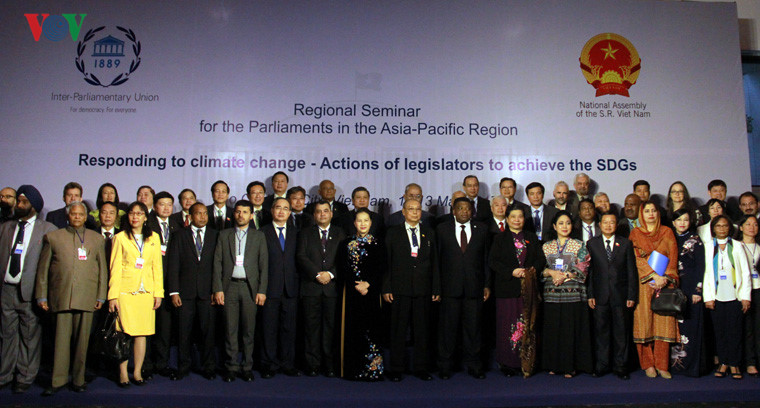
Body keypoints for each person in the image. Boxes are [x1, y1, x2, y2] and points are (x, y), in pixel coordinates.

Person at [35, 201, 107, 395]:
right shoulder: (53, 237)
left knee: (82, 343)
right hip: (61, 296)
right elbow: (43, 270)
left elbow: (103, 270)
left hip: (87, 297)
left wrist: (101, 296)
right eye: (74, 214)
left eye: (80, 214)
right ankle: (57, 381)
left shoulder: (97, 239)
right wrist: (41, 295)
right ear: (68, 216)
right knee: (60, 342)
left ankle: (78, 379)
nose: (77, 217)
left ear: (85, 217)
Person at [0, 185, 57, 393]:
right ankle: (5, 374)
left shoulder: (48, 229)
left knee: (29, 336)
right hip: (7, 289)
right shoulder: (6, 227)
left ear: (34, 205)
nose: (19, 205)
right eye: (18, 201)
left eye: (24, 202)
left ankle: (25, 376)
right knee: (6, 335)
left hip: (30, 291)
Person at [108, 201, 164, 387]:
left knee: (142, 334)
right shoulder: (120, 238)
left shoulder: (154, 237)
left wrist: (158, 293)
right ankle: (123, 373)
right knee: (123, 334)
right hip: (125, 292)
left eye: (139, 214)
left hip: (146, 292)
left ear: (145, 217)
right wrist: (113, 296)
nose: (135, 217)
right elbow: (115, 268)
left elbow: (157, 267)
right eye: (132, 213)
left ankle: (138, 372)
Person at [383, 199, 439, 381]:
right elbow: (387, 262)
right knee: (398, 330)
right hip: (400, 288)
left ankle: (421, 367)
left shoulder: (429, 233)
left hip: (423, 289)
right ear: (403, 212)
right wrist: (387, 287)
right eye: (411, 209)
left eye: (418, 209)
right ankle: (396, 368)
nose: (415, 212)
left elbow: (435, 262)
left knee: (422, 330)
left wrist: (436, 287)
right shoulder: (393, 233)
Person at [213, 200, 268, 382]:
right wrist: (218, 288)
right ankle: (231, 367)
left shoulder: (258, 236)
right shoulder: (224, 235)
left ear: (251, 215)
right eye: (238, 211)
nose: (241, 215)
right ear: (233, 214)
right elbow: (217, 263)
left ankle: (247, 367)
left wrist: (262, 290)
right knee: (230, 330)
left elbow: (264, 265)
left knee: (248, 331)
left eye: (245, 212)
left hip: (250, 288)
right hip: (229, 287)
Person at [435, 197, 490, 379]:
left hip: (474, 288)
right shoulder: (442, 229)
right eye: (460, 208)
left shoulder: (482, 229)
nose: (464, 211)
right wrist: (437, 288)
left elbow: (485, 259)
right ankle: (445, 366)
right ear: (453, 211)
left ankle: (474, 365)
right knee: (447, 330)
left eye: (467, 208)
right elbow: (437, 261)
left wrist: (487, 284)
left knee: (473, 330)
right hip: (449, 289)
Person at [488, 206, 544, 377]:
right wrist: (511, 271)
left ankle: (527, 362)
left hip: (528, 289)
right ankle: (507, 363)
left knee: (527, 325)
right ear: (507, 219)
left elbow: (540, 259)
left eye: (520, 216)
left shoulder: (531, 237)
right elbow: (493, 261)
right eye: (513, 216)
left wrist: (530, 271)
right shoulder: (499, 238)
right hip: (507, 288)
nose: (517, 220)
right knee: (507, 325)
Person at [167, 202, 218, 380]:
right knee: (184, 332)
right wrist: (174, 291)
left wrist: (217, 289)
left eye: (205, 213)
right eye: (198, 213)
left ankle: (209, 367)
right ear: (190, 216)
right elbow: (173, 264)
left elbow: (218, 265)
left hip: (208, 293)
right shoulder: (179, 235)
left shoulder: (215, 235)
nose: (203, 216)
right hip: (185, 292)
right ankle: (183, 367)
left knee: (207, 332)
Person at [630, 201, 679, 379]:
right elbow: (635, 258)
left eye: (654, 210)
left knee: (663, 323)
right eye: (647, 211)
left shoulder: (667, 232)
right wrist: (652, 275)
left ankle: (662, 365)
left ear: (658, 213)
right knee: (644, 323)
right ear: (641, 214)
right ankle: (648, 364)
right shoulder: (635, 233)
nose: (651, 214)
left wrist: (665, 278)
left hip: (664, 283)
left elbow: (673, 256)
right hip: (644, 283)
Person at [540, 210, 592, 377]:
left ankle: (571, 366)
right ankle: (553, 364)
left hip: (573, 294)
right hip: (551, 295)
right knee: (553, 330)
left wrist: (565, 275)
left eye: (568, 223)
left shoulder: (579, 245)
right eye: (561, 223)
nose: (565, 226)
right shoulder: (546, 246)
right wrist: (551, 273)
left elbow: (584, 266)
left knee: (571, 331)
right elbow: (540, 269)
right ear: (554, 226)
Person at [297, 200, 345, 377]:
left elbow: (344, 258)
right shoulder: (305, 233)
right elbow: (301, 256)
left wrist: (330, 274)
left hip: (332, 289)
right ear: (314, 215)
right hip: (311, 288)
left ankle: (329, 365)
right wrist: (317, 274)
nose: (322, 214)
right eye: (319, 211)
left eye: (326, 211)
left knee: (331, 329)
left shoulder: (340, 233)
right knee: (311, 328)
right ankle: (312, 364)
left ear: (331, 214)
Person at [587, 212, 638, 380]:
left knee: (621, 333)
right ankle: (602, 365)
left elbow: (631, 271)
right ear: (599, 225)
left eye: (612, 222)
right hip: (600, 295)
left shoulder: (625, 243)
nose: (608, 225)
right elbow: (590, 272)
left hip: (621, 296)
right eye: (605, 222)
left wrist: (631, 295)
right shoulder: (592, 244)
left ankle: (621, 366)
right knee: (601, 332)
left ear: (616, 225)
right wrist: (590, 294)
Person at [337, 208, 385, 381]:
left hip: (372, 294)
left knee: (372, 330)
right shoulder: (346, 244)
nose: (363, 224)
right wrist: (356, 285)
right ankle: (353, 370)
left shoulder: (379, 244)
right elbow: (342, 268)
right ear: (354, 223)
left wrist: (368, 284)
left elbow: (382, 268)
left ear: (371, 223)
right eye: (359, 220)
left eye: (366, 220)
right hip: (352, 294)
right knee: (353, 331)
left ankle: (373, 370)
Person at [703, 215, 751, 379]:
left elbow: (745, 272)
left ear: (730, 228)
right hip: (716, 297)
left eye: (725, 226)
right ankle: (723, 362)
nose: (722, 229)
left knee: (735, 331)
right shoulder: (708, 246)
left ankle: (734, 364)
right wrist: (708, 297)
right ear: (713, 229)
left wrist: (745, 296)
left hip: (735, 297)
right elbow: (706, 273)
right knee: (720, 332)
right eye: (718, 226)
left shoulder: (737, 246)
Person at [259, 198, 301, 378]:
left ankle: (287, 364)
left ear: (290, 212)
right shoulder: (262, 232)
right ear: (272, 210)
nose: (282, 211)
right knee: (268, 328)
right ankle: (268, 364)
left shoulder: (297, 233)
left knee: (289, 329)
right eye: (278, 208)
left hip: (291, 288)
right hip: (269, 288)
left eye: (285, 208)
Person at [145, 191, 182, 380]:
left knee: (165, 328)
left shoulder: (177, 225)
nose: (166, 208)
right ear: (155, 206)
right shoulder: (147, 225)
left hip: (170, 283)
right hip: (149, 282)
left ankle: (162, 363)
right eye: (162, 204)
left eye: (169, 204)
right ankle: (145, 365)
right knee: (146, 326)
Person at [669, 208, 706, 377]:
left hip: (691, 288)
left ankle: (692, 366)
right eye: (679, 220)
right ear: (673, 222)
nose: (682, 223)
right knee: (674, 326)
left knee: (691, 326)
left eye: (685, 219)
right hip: (672, 287)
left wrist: (698, 290)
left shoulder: (695, 240)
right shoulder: (668, 237)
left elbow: (700, 266)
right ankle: (674, 365)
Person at [738, 215, 760, 377]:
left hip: (758, 288)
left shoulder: (759, 247)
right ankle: (749, 362)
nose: (752, 227)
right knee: (746, 328)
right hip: (742, 291)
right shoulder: (736, 246)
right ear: (741, 227)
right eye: (748, 224)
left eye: (755, 224)